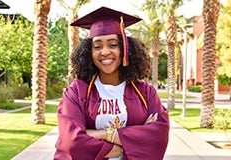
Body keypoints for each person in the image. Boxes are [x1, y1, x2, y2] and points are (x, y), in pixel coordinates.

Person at [54, 6, 169, 160]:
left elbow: (157, 137)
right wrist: (127, 146)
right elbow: (72, 142)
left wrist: (101, 134)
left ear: (124, 49)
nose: (105, 51)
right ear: (90, 52)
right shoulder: (77, 91)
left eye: (113, 44)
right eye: (97, 46)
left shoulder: (145, 93)